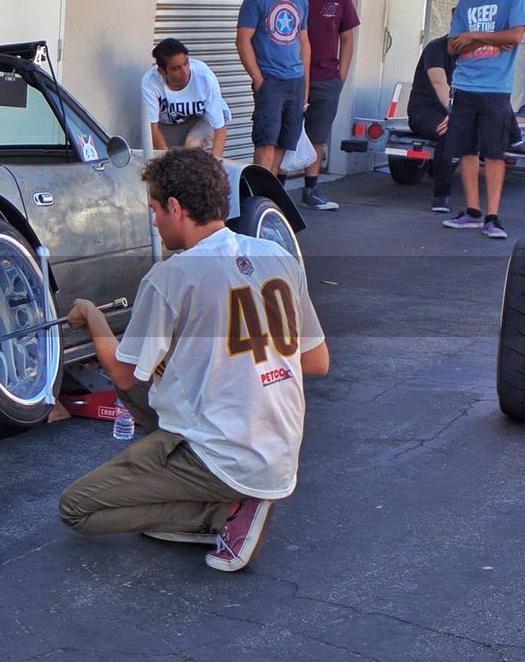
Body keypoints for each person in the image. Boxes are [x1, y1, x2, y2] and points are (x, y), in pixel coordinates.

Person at [58, 147, 330, 573]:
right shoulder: (278, 258)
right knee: (150, 376)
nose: (154, 221)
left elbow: (121, 372)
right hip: (277, 444)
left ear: (174, 206)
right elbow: (316, 363)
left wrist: (92, 317)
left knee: (76, 508)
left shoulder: (171, 276)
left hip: (224, 451)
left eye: (154, 209)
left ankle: (223, 513)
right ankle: (217, 495)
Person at [442, 0, 525, 239]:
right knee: (465, 150)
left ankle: (493, 217)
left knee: (493, 153)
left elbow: (515, 36)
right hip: (464, 85)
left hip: (495, 88)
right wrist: (490, 38)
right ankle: (473, 212)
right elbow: (452, 47)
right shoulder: (465, 3)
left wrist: (473, 36)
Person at [237, 0, 310, 186]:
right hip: (270, 81)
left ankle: (272, 196)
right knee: (266, 142)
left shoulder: (301, 0)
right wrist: (258, 79)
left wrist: (306, 86)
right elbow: (242, 41)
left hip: (295, 81)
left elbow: (304, 43)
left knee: (285, 142)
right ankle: (256, 198)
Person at [295, 0, 359, 211]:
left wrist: (341, 76)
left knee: (316, 136)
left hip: (327, 79)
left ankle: (311, 190)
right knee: (287, 133)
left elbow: (347, 39)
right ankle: (277, 187)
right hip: (294, 77)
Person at [141, 38, 232, 159]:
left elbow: (220, 130)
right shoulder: (150, 81)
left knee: (192, 145)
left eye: (186, 63)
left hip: (203, 118)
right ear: (162, 71)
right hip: (171, 123)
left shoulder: (204, 78)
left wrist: (215, 166)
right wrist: (168, 162)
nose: (184, 71)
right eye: (176, 68)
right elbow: (152, 129)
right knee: (153, 157)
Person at [408, 19, 457, 213]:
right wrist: (455, 114)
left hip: (454, 109)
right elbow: (439, 83)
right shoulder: (436, 47)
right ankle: (441, 195)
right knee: (448, 131)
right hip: (424, 111)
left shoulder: (472, 53)